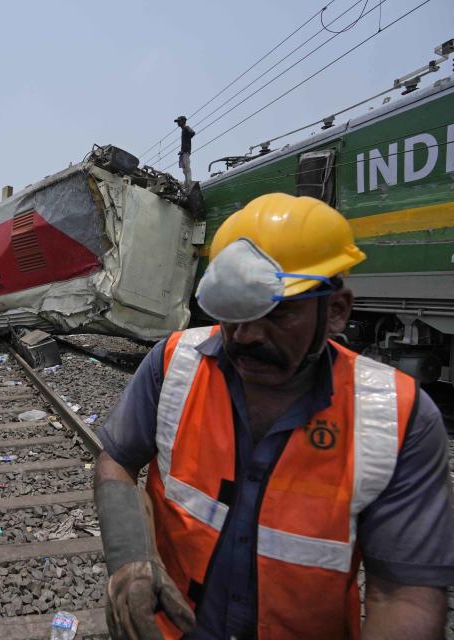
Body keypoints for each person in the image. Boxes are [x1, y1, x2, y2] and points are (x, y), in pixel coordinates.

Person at [95, 193, 454, 640]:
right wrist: (130, 559)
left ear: (336, 310)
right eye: (233, 311)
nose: (246, 335)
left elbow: (403, 594)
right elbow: (117, 460)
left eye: (276, 313)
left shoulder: (397, 416)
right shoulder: (174, 363)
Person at [175, 115, 194, 187]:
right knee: (184, 169)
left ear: (183, 121)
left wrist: (187, 143)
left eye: (179, 121)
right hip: (183, 152)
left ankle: (189, 183)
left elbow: (192, 133)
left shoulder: (186, 128)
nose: (178, 123)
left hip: (186, 152)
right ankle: (187, 183)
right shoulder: (183, 130)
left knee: (187, 167)